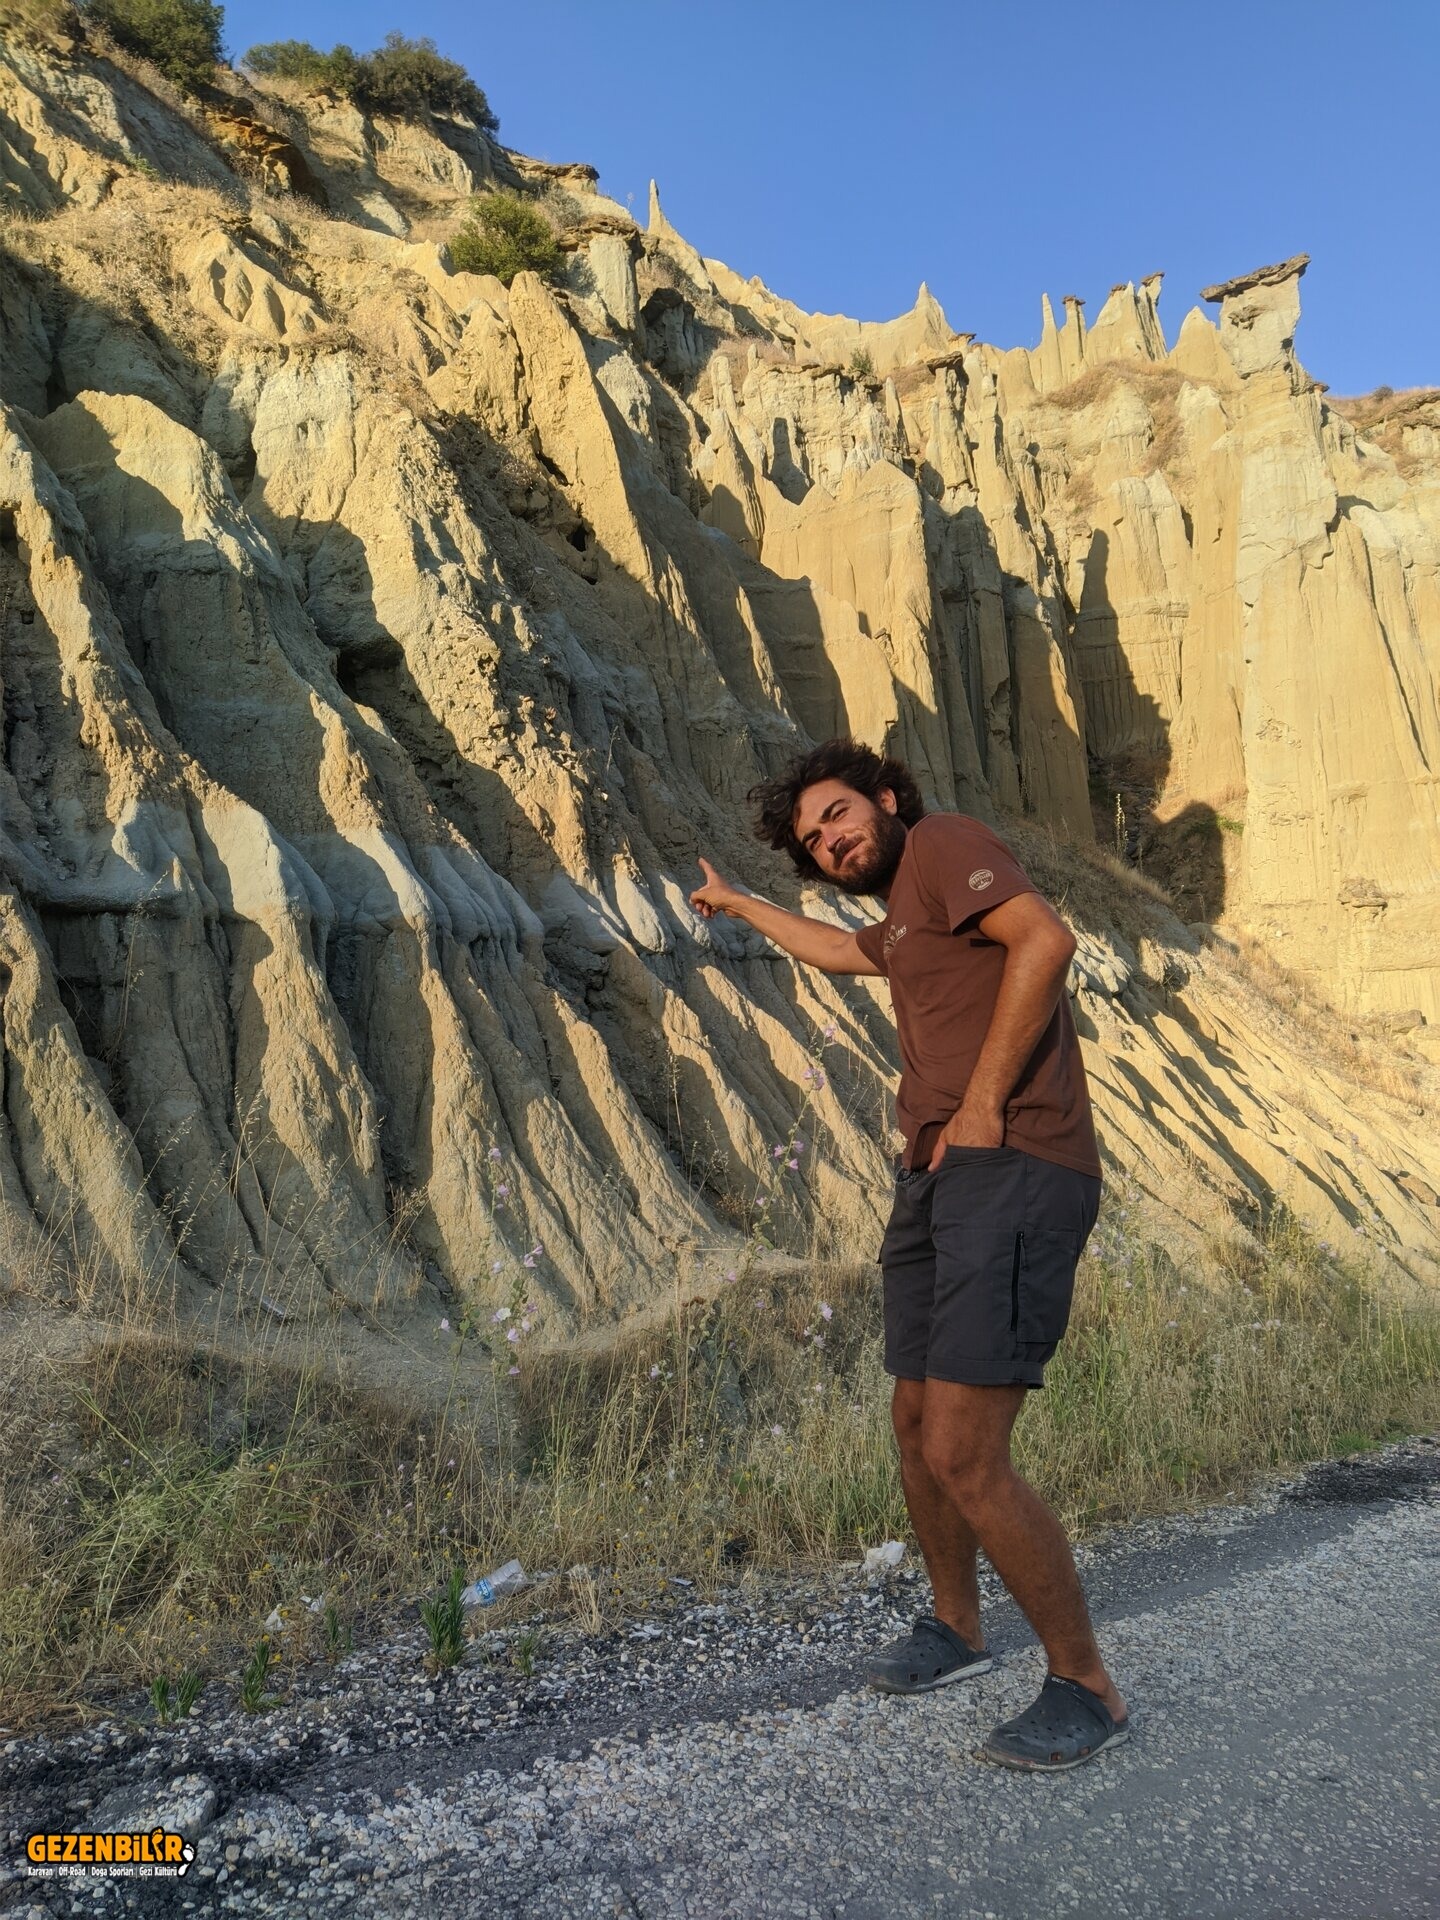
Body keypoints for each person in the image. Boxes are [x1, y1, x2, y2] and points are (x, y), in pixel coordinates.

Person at [688, 737, 1128, 1771]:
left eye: (838, 815)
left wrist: (981, 1105)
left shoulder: (942, 844)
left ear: (886, 799)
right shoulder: (905, 917)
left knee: (964, 1448)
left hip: (1013, 1161)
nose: (830, 841)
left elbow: (1046, 941)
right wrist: (744, 906)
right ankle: (957, 1628)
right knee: (916, 1418)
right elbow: (844, 952)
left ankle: (1088, 1687)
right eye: (813, 841)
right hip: (940, 1177)